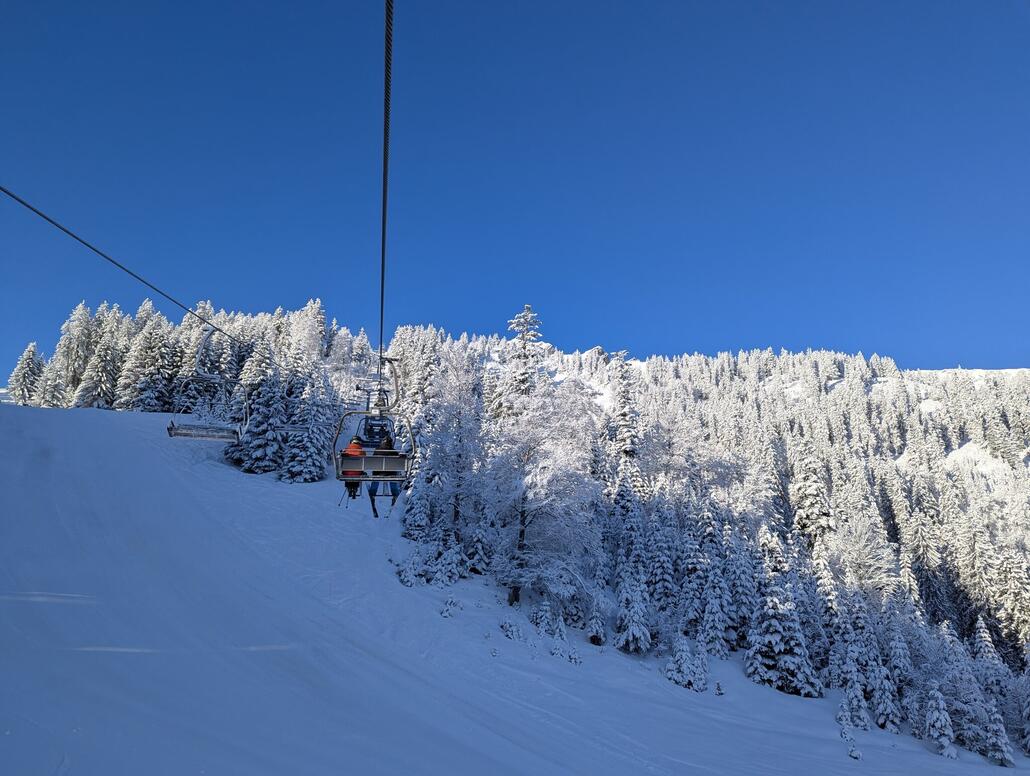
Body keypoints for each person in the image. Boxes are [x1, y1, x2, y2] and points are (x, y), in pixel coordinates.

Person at [367, 432, 402, 515]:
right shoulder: (393, 451)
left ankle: (373, 493)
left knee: (375, 478)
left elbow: (373, 461)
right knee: (393, 477)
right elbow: (399, 461)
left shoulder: (377, 451)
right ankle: (395, 494)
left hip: (378, 473)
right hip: (390, 473)